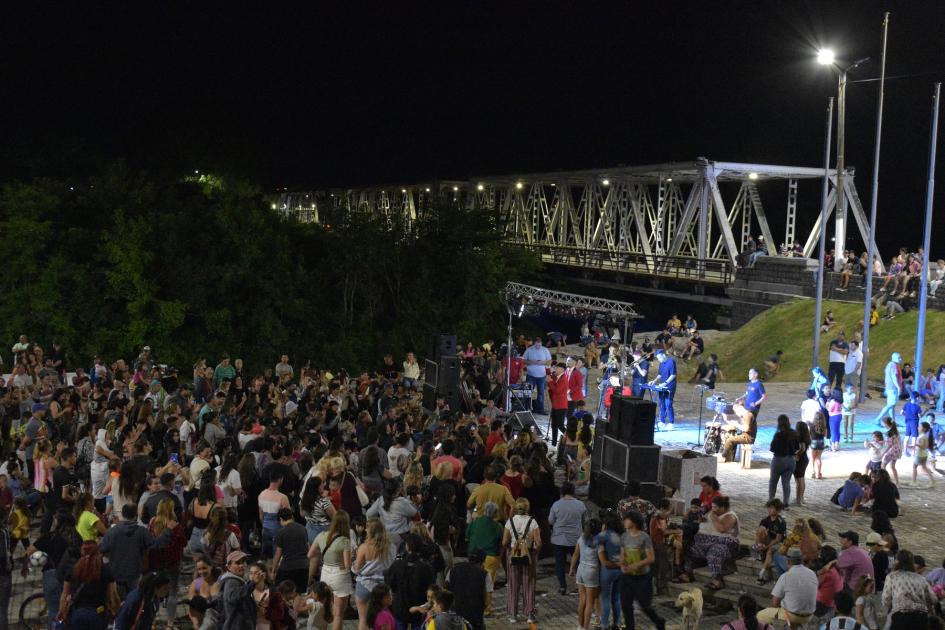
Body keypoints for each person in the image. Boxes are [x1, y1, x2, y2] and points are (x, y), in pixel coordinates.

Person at [100, 503, 170, 596]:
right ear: (136, 515)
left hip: (116, 572)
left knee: (120, 601)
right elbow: (156, 545)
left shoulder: (112, 532)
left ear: (122, 515)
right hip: (134, 572)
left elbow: (102, 549)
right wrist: (168, 531)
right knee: (133, 598)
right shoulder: (142, 532)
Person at [678, 495, 739, 590]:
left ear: (723, 507)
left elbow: (721, 529)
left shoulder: (730, 516)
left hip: (726, 543)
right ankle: (688, 574)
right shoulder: (712, 513)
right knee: (691, 548)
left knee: (715, 551)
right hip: (707, 541)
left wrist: (714, 517)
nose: (713, 509)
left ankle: (717, 580)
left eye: (715, 507)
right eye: (713, 506)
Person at [619, 510, 665, 630]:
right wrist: (622, 564)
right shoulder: (624, 536)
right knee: (626, 605)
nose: (624, 521)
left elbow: (651, 558)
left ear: (633, 521)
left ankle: (659, 621)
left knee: (645, 606)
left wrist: (636, 565)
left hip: (642, 578)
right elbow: (622, 555)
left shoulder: (644, 537)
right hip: (627, 577)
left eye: (626, 519)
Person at [59, 541, 121, 630]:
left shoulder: (73, 570)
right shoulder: (105, 570)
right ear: (98, 552)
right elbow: (113, 596)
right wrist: (115, 612)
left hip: (77, 614)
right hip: (98, 614)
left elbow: (64, 594)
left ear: (81, 552)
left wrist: (61, 611)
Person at [308, 510, 351, 630]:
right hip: (340, 576)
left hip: (325, 573)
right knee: (338, 614)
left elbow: (310, 554)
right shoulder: (344, 541)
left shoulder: (321, 535)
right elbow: (348, 565)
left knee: (326, 608)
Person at [384, 533, 436, 630]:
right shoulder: (426, 567)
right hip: (419, 607)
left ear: (407, 547)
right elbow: (431, 587)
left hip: (400, 607)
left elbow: (389, 581)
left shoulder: (397, 564)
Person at [354, 519, 397, 630]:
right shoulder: (391, 547)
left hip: (364, 585)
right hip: (383, 587)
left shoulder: (364, 547)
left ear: (371, 531)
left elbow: (356, 569)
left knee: (363, 620)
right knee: (383, 619)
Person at [503, 497, 541, 624]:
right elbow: (539, 542)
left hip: (513, 554)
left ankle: (513, 614)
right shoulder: (533, 522)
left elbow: (504, 542)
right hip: (528, 555)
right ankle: (530, 614)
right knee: (529, 583)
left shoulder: (510, 522)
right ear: (527, 508)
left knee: (513, 584)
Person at [757, 548, 817, 627]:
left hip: (792, 616)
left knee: (759, 616)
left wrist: (775, 614)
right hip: (809, 616)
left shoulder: (785, 576)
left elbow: (775, 603)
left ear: (788, 561)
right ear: (801, 560)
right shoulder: (812, 573)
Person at [548, 481, 586, 596]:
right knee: (578, 563)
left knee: (560, 563)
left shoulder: (556, 505)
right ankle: (578, 586)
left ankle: (562, 586)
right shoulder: (580, 505)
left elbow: (550, 521)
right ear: (573, 491)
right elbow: (585, 521)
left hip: (559, 539)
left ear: (562, 492)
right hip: (576, 539)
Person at [882, 550, 937, 628]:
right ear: (912, 563)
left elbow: (886, 600)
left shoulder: (891, 577)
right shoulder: (921, 578)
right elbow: (933, 599)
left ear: (897, 561)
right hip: (921, 617)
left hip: (900, 617)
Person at [446, 550, 491, 630]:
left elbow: (446, 592)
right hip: (475, 617)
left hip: (455, 615)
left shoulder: (452, 570)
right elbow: (487, 601)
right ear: (482, 562)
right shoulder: (485, 574)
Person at [569, 517, 601, 630]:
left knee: (582, 600)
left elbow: (575, 554)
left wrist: (572, 568)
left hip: (580, 569)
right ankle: (586, 627)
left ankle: (580, 626)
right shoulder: (598, 541)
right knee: (590, 602)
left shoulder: (581, 538)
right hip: (592, 571)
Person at [768, 414, 798, 508]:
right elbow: (797, 447)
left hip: (778, 460)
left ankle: (771, 500)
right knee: (786, 482)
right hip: (791, 460)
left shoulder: (778, 435)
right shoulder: (794, 433)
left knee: (773, 481)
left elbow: (772, 448)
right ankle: (786, 503)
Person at [522, 337, 552, 414]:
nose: (538, 346)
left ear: (541, 343)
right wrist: (531, 362)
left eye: (539, 345)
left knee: (541, 393)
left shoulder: (545, 350)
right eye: (536, 345)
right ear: (534, 343)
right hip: (530, 375)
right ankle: (527, 408)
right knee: (528, 392)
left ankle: (540, 409)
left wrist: (542, 362)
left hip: (542, 376)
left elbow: (549, 362)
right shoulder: (529, 350)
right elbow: (523, 360)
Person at [649, 349, 677, 431]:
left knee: (668, 404)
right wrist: (654, 381)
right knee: (661, 403)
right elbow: (660, 374)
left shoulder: (671, 361)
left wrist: (665, 383)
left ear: (663, 355)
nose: (658, 360)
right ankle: (662, 421)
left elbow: (673, 375)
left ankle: (672, 423)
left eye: (659, 358)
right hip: (662, 386)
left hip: (670, 386)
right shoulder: (661, 363)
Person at [876, 352, 903, 427]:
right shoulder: (893, 365)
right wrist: (898, 387)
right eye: (899, 358)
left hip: (890, 387)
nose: (901, 359)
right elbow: (894, 377)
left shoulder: (891, 365)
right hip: (892, 388)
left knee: (892, 405)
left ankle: (893, 422)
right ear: (894, 358)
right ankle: (877, 419)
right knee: (891, 404)